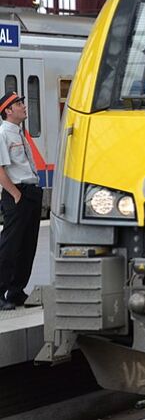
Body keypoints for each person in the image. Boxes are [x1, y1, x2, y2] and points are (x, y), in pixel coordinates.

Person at [0, 92, 42, 310]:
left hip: (31, 192)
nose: (24, 106)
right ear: (8, 110)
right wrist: (15, 194)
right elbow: (0, 170)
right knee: (9, 246)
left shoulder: (19, 133)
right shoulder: (3, 134)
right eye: (18, 104)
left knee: (27, 246)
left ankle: (17, 290)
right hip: (17, 193)